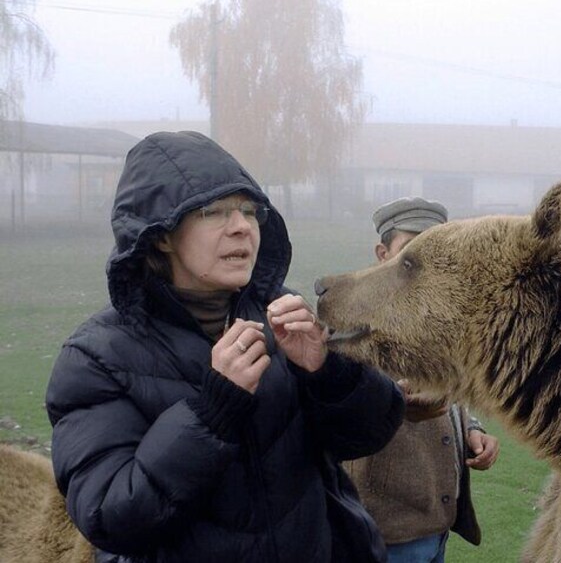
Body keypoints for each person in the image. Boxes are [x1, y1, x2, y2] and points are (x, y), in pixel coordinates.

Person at [45, 131, 405, 562]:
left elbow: (370, 433)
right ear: (160, 235)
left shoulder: (282, 317)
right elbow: (110, 516)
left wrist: (327, 371)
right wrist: (213, 411)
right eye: (213, 211)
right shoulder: (95, 359)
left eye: (250, 211)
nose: (241, 227)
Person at [343, 197, 501, 563]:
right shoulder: (352, 319)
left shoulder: (443, 320)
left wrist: (473, 430)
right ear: (383, 253)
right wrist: (393, 404)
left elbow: (451, 390)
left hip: (438, 525)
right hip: (386, 535)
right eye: (410, 252)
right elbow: (339, 413)